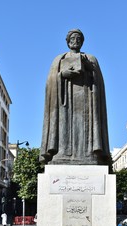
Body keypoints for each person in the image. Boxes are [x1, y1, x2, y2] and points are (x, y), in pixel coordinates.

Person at [40, 29, 112, 170]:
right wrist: (61, 75)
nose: (75, 41)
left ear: (82, 41)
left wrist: (89, 68)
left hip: (87, 101)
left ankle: (89, 155)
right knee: (64, 126)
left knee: (85, 128)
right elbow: (50, 82)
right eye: (72, 38)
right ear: (67, 41)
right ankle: (62, 153)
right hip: (64, 102)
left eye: (78, 38)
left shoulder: (91, 58)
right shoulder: (59, 59)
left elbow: (99, 83)